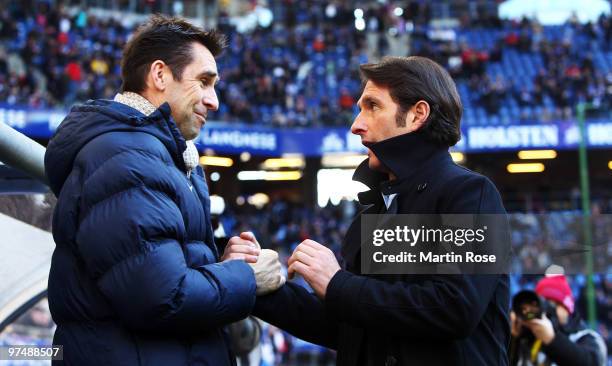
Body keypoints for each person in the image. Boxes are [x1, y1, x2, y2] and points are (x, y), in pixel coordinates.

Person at [44, 15, 284, 365]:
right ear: (159, 75)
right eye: (203, 82)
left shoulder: (165, 155)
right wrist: (245, 277)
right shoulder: (125, 157)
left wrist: (222, 263)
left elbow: (156, 266)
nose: (214, 100)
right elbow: (161, 298)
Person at [249, 56, 510, 365]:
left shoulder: (469, 194)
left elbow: (454, 309)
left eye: (372, 106)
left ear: (417, 115)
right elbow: (353, 326)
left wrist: (336, 284)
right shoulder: (374, 212)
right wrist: (259, 289)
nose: (356, 125)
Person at [510, 274, 607, 366]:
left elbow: (591, 362)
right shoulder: (527, 338)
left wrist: (552, 340)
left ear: (567, 309)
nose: (549, 310)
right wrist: (513, 338)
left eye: (555, 304)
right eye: (545, 304)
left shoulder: (587, 337)